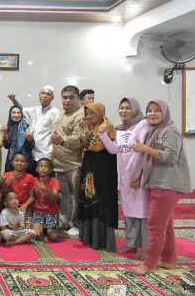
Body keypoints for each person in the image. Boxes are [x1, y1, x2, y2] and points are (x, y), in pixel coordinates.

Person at [130, 100, 192, 275]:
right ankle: (169, 259)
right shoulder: (154, 130)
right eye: (149, 110)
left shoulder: (170, 130)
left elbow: (171, 157)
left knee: (156, 225)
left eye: (157, 110)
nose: (152, 114)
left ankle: (150, 263)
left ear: (165, 113)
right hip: (158, 182)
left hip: (167, 184)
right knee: (166, 224)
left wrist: (144, 149)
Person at [98, 98, 149, 258]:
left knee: (143, 211)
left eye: (128, 108)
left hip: (140, 176)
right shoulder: (120, 129)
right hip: (126, 176)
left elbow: (145, 152)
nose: (124, 111)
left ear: (135, 109)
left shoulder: (143, 125)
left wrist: (139, 175)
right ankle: (132, 243)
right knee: (129, 210)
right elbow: (114, 150)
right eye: (121, 108)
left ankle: (144, 246)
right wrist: (103, 134)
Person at [77, 102, 118, 252]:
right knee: (90, 198)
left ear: (100, 113)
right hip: (91, 170)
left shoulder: (108, 127)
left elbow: (102, 148)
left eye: (92, 114)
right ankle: (89, 236)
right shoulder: (92, 128)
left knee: (101, 202)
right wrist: (86, 130)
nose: (89, 117)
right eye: (87, 114)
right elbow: (87, 147)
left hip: (103, 172)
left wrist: (92, 133)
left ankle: (101, 238)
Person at [51, 85, 85, 236]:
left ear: (78, 98)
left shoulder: (81, 115)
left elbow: (80, 139)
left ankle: (77, 224)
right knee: (64, 196)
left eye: (71, 97)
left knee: (77, 196)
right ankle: (64, 221)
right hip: (59, 164)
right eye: (65, 97)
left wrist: (62, 140)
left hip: (74, 164)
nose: (67, 100)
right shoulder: (62, 114)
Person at [8, 86, 60, 161]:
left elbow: (55, 133)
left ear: (52, 98)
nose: (45, 96)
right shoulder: (36, 109)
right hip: (31, 152)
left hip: (45, 154)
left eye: (48, 94)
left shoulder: (55, 112)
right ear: (39, 96)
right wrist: (13, 100)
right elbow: (22, 110)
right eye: (43, 93)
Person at [28, 158, 61, 242]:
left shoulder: (54, 181)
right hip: (37, 212)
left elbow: (55, 198)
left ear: (50, 170)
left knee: (53, 237)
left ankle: (48, 230)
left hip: (51, 212)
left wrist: (45, 189)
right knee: (37, 235)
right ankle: (42, 229)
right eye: (41, 166)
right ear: (36, 169)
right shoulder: (33, 180)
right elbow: (31, 197)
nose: (43, 168)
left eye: (46, 166)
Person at [0, 152, 37, 219]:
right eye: (16, 160)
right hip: (8, 207)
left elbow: (32, 197)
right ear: (12, 163)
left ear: (26, 164)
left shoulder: (30, 177)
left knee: (25, 225)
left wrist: (25, 206)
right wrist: (7, 183)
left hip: (24, 207)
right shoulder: (6, 175)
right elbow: (1, 194)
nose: (19, 163)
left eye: (22, 161)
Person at [3, 106, 35, 174]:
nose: (16, 115)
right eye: (13, 113)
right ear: (10, 114)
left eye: (18, 113)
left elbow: (31, 146)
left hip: (25, 160)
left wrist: (29, 139)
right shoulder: (7, 127)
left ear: (22, 114)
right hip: (11, 160)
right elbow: (7, 146)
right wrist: (5, 134)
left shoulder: (26, 127)